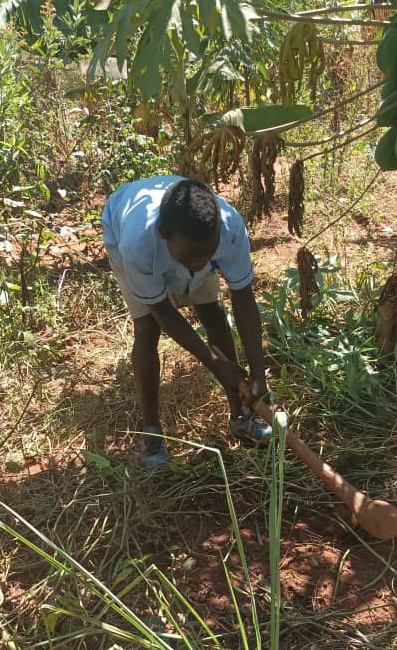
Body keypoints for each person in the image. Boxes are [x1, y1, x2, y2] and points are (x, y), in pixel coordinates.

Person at [102, 175, 272, 468]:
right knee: (147, 328)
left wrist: (259, 374)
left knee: (214, 313)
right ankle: (152, 432)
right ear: (164, 234)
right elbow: (163, 313)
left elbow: (243, 298)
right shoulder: (137, 244)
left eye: (207, 254)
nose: (198, 264)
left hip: (180, 245)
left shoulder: (229, 229)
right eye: (191, 256)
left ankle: (242, 415)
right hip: (122, 225)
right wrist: (215, 364)